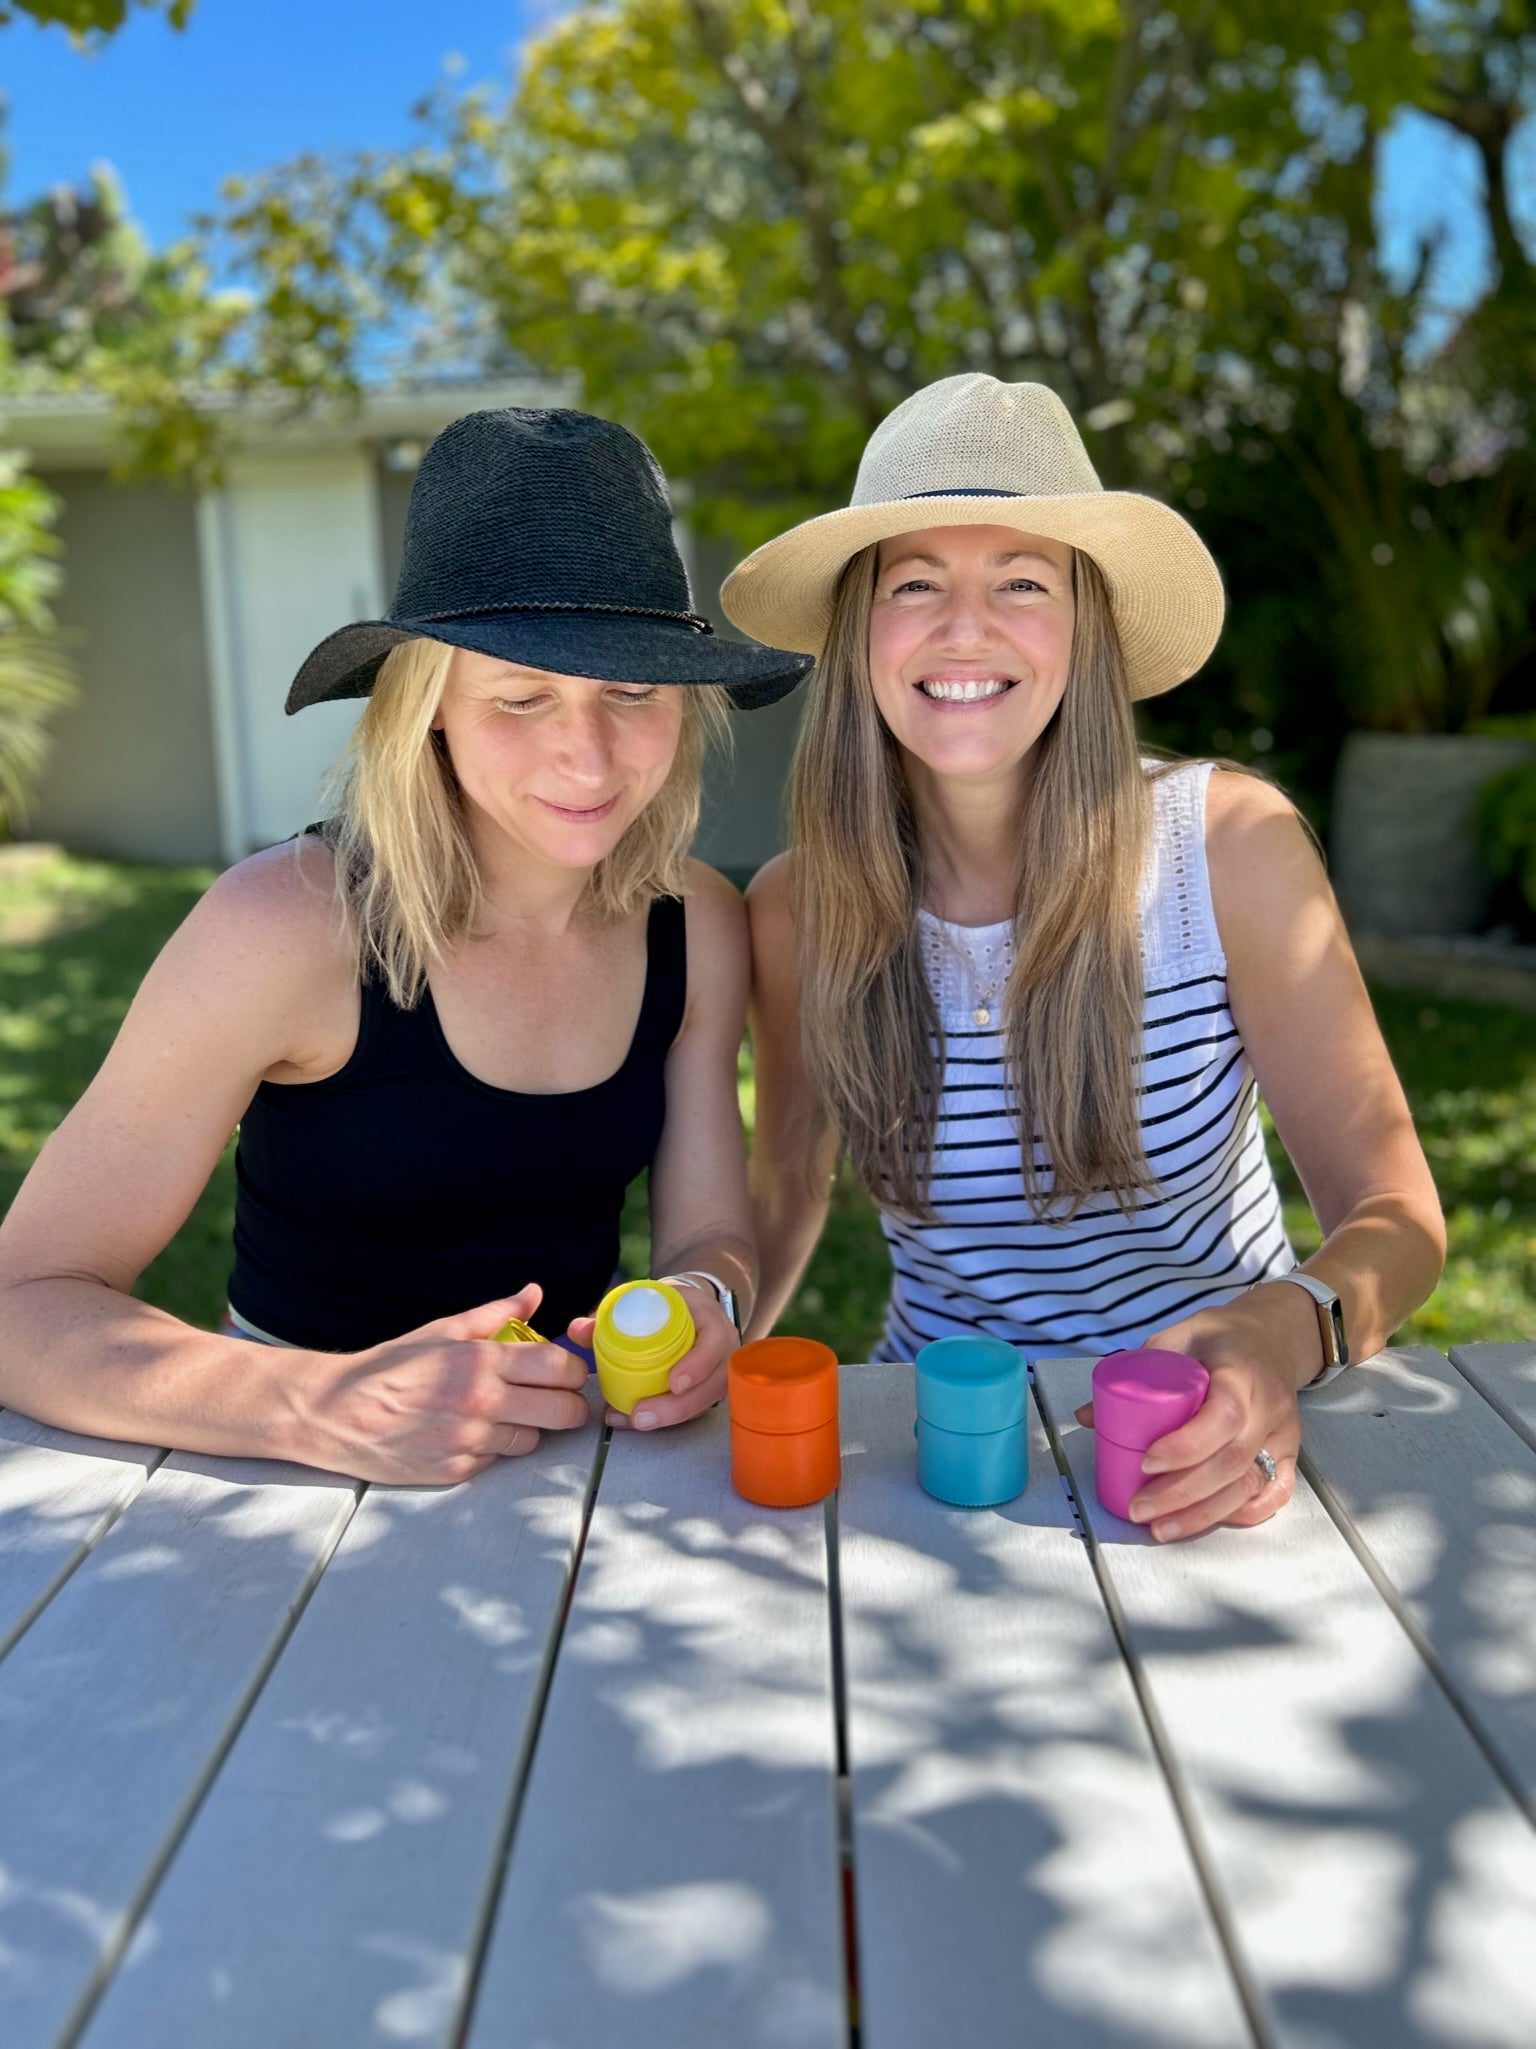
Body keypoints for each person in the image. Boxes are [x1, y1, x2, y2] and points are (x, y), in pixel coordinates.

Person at [0, 407, 811, 1485]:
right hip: (283, 1481)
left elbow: (709, 1230)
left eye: (634, 692)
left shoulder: (695, 921)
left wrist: (705, 1302)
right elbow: (25, 1300)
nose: (589, 755)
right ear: (429, 707)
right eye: (522, 697)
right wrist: (315, 1403)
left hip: (571, 1478)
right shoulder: (284, 927)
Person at [725, 374, 1445, 1542]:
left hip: (1209, 1439)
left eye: (1022, 581)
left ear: (1086, 627)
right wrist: (710, 1332)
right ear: (862, 634)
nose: (966, 627)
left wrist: (1281, 1330)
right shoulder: (800, 908)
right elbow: (782, 1195)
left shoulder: (1226, 849)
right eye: (915, 584)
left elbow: (1398, 1216)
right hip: (933, 1444)